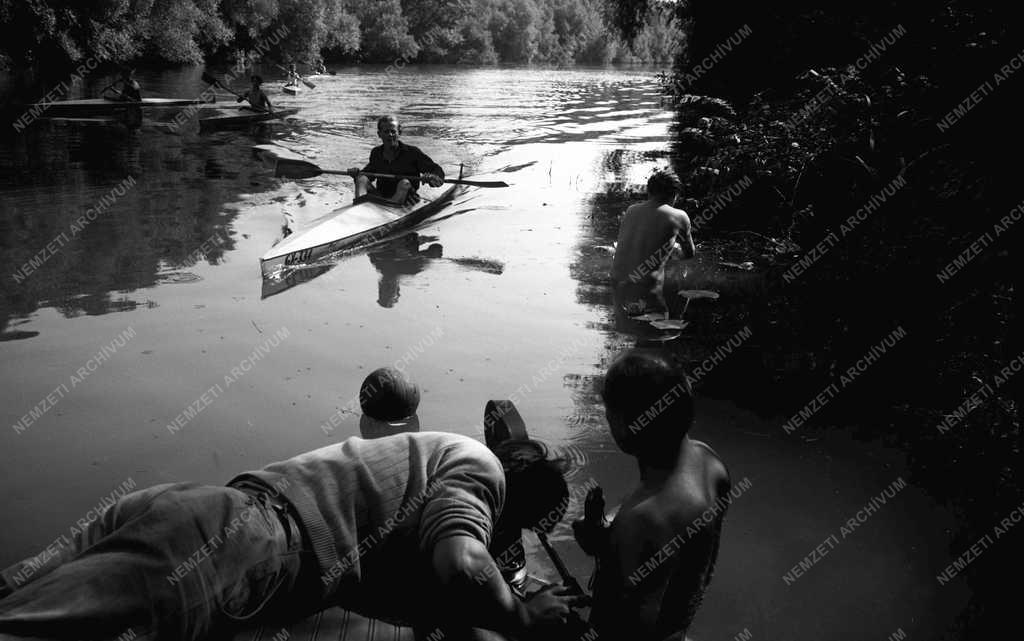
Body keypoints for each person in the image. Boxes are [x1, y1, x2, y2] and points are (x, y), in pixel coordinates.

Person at [0, 433, 583, 640]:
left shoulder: (427, 459)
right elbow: (462, 563)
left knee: (18, 596)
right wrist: (523, 618)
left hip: (193, 508)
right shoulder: (481, 474)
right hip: (239, 545)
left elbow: (407, 586)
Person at [573, 348, 731, 641]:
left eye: (610, 413)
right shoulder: (710, 464)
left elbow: (629, 625)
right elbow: (694, 564)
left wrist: (611, 550)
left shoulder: (641, 521)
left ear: (621, 422)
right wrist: (607, 541)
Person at [611, 169, 696, 315]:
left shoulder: (631, 210)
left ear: (649, 192)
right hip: (647, 287)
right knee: (671, 330)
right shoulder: (679, 216)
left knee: (632, 324)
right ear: (675, 195)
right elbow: (689, 254)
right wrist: (672, 252)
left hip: (617, 283)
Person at [348, 115, 445, 205]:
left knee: (404, 183)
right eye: (386, 132)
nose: (390, 135)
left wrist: (432, 176)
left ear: (399, 133)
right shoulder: (376, 153)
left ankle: (391, 207)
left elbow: (437, 170)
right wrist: (356, 174)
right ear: (379, 134)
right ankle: (359, 206)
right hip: (381, 196)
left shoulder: (412, 152)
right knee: (362, 179)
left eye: (393, 131)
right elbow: (368, 173)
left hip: (406, 199)